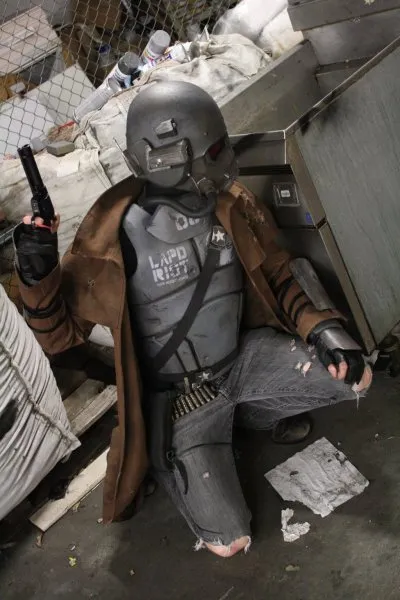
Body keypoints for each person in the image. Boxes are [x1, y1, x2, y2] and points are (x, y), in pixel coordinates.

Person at [14, 81, 372, 557]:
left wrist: (324, 329)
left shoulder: (230, 203)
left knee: (355, 376)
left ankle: (248, 415)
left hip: (241, 358)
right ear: (170, 157)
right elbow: (58, 338)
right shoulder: (110, 240)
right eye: (216, 149)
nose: (226, 158)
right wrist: (37, 277)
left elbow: (279, 270)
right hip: (179, 397)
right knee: (230, 541)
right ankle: (173, 451)